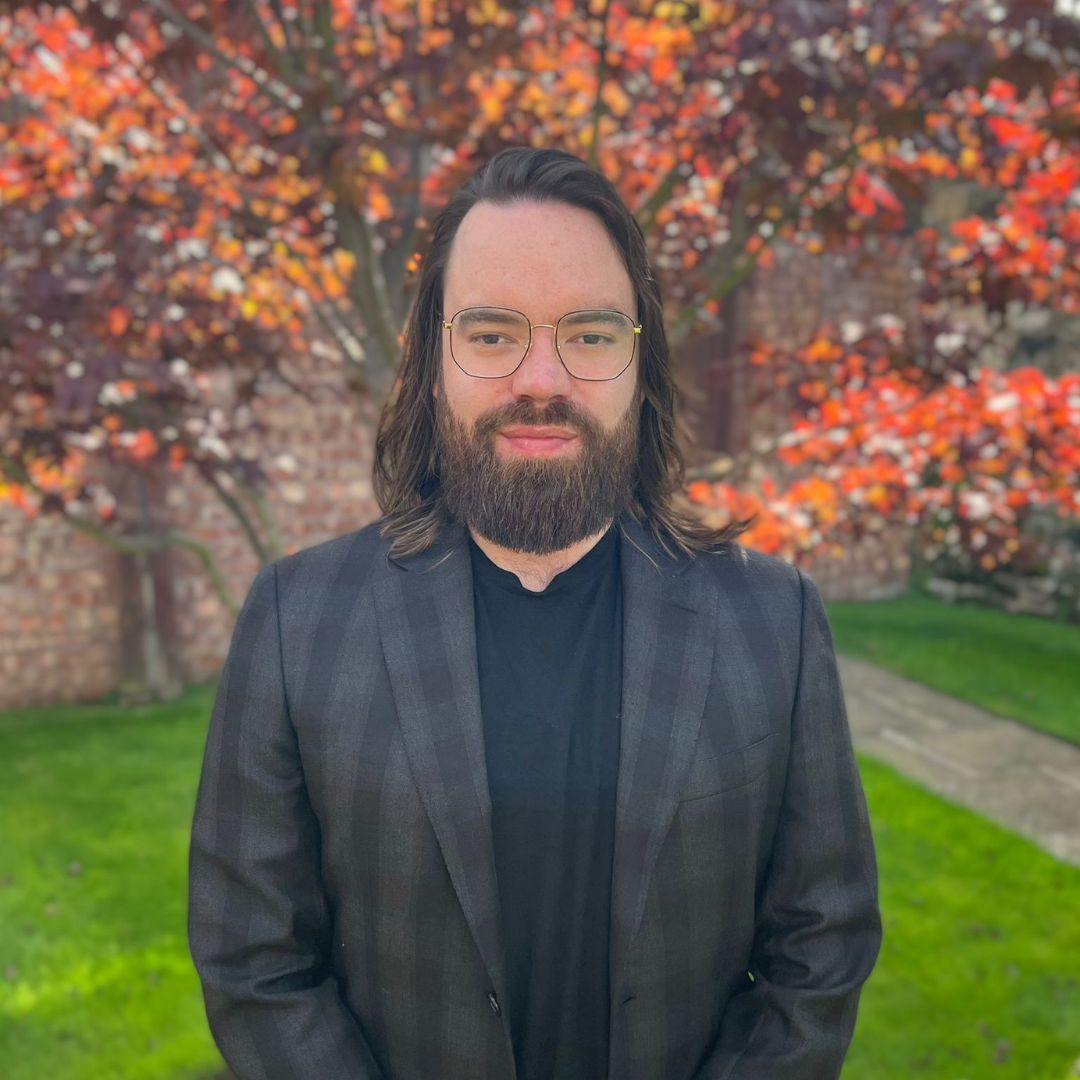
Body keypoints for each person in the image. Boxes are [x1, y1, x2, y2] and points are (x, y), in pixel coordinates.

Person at [188, 146, 881, 1080]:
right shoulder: (295, 622)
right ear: (435, 362)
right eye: (490, 333)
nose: (539, 377)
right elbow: (252, 958)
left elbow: (823, 942)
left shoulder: (774, 622)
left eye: (591, 334)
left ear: (642, 364)